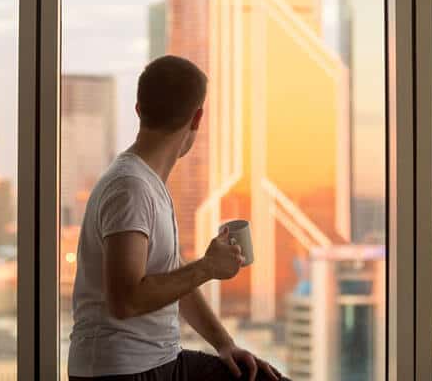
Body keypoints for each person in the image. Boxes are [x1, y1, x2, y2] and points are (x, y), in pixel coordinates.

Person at [68, 55, 286, 381]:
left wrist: (225, 345)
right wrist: (207, 267)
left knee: (257, 376)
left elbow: (172, 280)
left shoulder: (147, 183)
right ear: (197, 118)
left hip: (159, 360)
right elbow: (125, 300)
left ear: (139, 109)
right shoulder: (131, 187)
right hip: (124, 371)